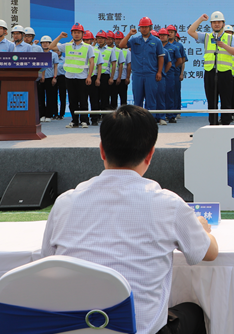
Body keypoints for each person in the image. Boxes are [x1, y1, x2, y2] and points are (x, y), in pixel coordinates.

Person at [41, 104, 218, 334]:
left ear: (102, 150)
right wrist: (202, 228)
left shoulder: (64, 203)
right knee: (192, 312)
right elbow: (209, 253)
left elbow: (47, 261)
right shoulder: (168, 204)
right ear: (151, 154)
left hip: (77, 328)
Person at [188, 12, 234, 126]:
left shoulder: (230, 37)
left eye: (219, 22)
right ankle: (213, 124)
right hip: (210, 72)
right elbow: (190, 31)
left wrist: (224, 46)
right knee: (212, 102)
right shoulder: (206, 36)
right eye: (214, 22)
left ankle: (226, 124)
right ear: (211, 24)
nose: (216, 24)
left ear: (223, 24)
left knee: (226, 102)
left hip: (225, 73)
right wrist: (200, 19)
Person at [118, 17, 166, 123]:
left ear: (150, 27)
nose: (144, 29)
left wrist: (159, 72)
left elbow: (161, 57)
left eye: (146, 27)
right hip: (137, 74)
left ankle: (150, 121)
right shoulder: (134, 40)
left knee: (151, 99)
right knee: (138, 99)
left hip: (151, 74)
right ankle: (138, 121)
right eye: (142, 27)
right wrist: (129, 34)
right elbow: (121, 45)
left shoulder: (157, 41)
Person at [48, 24, 95, 128]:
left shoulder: (88, 47)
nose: (76, 34)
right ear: (72, 34)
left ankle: (84, 120)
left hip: (82, 77)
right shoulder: (67, 46)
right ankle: (74, 121)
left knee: (83, 100)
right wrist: (60, 37)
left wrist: (89, 76)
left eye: (78, 32)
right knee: (72, 100)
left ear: (82, 34)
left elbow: (92, 62)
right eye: (74, 32)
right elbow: (51, 47)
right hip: (69, 77)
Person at [83, 30, 105, 126]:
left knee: (94, 99)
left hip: (93, 77)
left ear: (92, 40)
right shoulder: (80, 50)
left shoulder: (96, 51)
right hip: (82, 77)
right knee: (83, 99)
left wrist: (98, 79)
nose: (86, 41)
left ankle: (94, 119)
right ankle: (84, 119)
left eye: (88, 40)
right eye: (84, 40)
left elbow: (99, 66)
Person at [95, 31, 117, 122]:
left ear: (105, 39)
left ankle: (105, 117)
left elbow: (114, 64)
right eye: (98, 38)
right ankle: (95, 116)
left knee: (105, 97)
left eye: (102, 38)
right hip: (95, 75)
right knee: (95, 97)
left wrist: (112, 77)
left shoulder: (110, 50)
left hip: (105, 76)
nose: (100, 40)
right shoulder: (93, 49)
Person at [160, 29, 181, 124]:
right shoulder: (157, 46)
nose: (162, 37)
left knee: (170, 94)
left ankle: (171, 115)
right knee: (160, 95)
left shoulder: (174, 47)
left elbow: (179, 60)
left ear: (168, 36)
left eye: (164, 35)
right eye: (160, 35)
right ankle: (161, 115)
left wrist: (171, 67)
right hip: (159, 74)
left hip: (169, 74)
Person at [37, 36, 60, 122]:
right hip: (40, 78)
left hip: (50, 78)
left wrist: (54, 77)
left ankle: (49, 115)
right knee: (40, 97)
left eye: (47, 43)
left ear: (50, 44)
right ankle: (42, 114)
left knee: (50, 97)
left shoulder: (54, 54)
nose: (45, 44)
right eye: (43, 43)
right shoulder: (39, 54)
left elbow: (55, 66)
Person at [113, 31, 131, 108]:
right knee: (113, 99)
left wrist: (127, 77)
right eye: (116, 39)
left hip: (123, 79)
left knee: (123, 100)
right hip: (113, 78)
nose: (118, 41)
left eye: (120, 39)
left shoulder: (127, 51)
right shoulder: (112, 50)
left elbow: (129, 65)